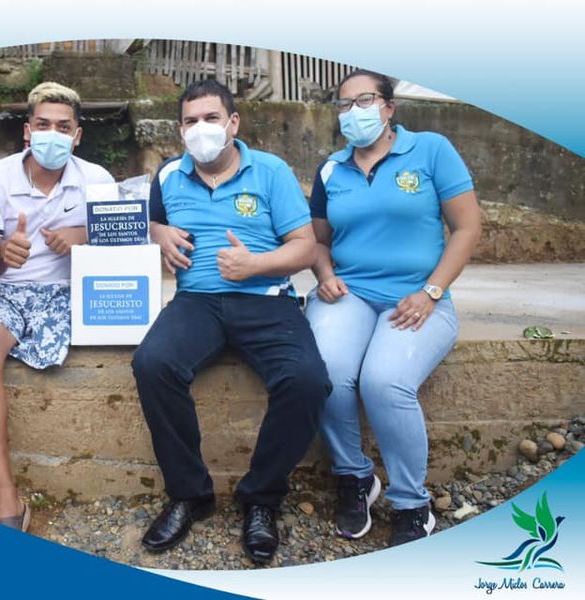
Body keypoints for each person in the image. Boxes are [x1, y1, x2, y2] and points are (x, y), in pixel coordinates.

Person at [132, 79, 330, 564]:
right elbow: (151, 223)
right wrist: (157, 231)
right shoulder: (168, 175)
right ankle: (189, 494)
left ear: (233, 123)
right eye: (190, 121)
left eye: (211, 118)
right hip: (196, 301)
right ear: (180, 130)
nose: (200, 129)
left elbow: (305, 247)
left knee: (307, 380)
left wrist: (256, 265)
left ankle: (261, 498)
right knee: (153, 363)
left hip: (266, 300)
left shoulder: (271, 171)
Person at [305, 69, 481, 546]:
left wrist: (432, 292)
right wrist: (325, 274)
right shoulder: (330, 170)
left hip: (418, 297)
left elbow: (467, 227)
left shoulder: (431, 150)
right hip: (350, 294)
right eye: (344, 105)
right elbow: (317, 241)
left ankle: (410, 503)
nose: (353, 112)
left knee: (383, 381)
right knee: (323, 372)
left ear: (388, 107)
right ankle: (355, 477)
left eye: (364, 100)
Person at [0, 82, 113, 531]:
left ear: (77, 135)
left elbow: (123, 241)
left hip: (68, 292)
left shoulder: (97, 180)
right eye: (43, 125)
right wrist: (1, 251)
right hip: (4, 290)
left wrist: (82, 236)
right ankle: (5, 496)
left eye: (63, 127)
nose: (52, 134)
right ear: (27, 131)